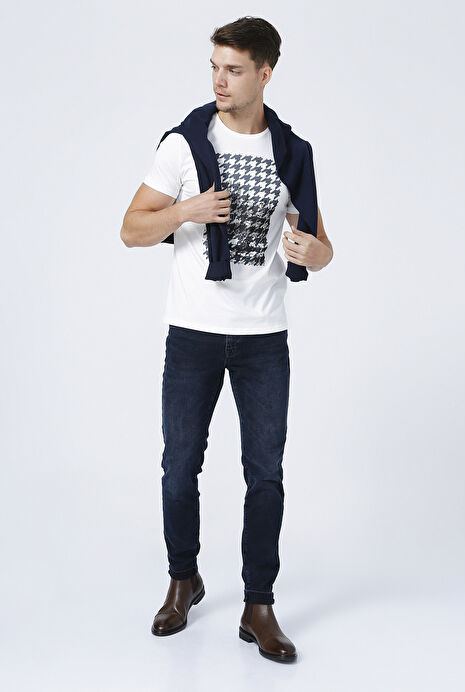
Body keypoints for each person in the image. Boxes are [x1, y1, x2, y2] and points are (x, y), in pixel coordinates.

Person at [120, 16, 333, 664]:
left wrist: (313, 252)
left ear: (265, 73)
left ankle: (258, 604)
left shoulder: (292, 153)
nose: (219, 80)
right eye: (214, 67)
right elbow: (131, 229)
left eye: (234, 69)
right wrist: (185, 211)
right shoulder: (183, 145)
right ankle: (182, 579)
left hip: (263, 338)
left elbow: (323, 246)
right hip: (193, 334)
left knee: (265, 474)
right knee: (179, 467)